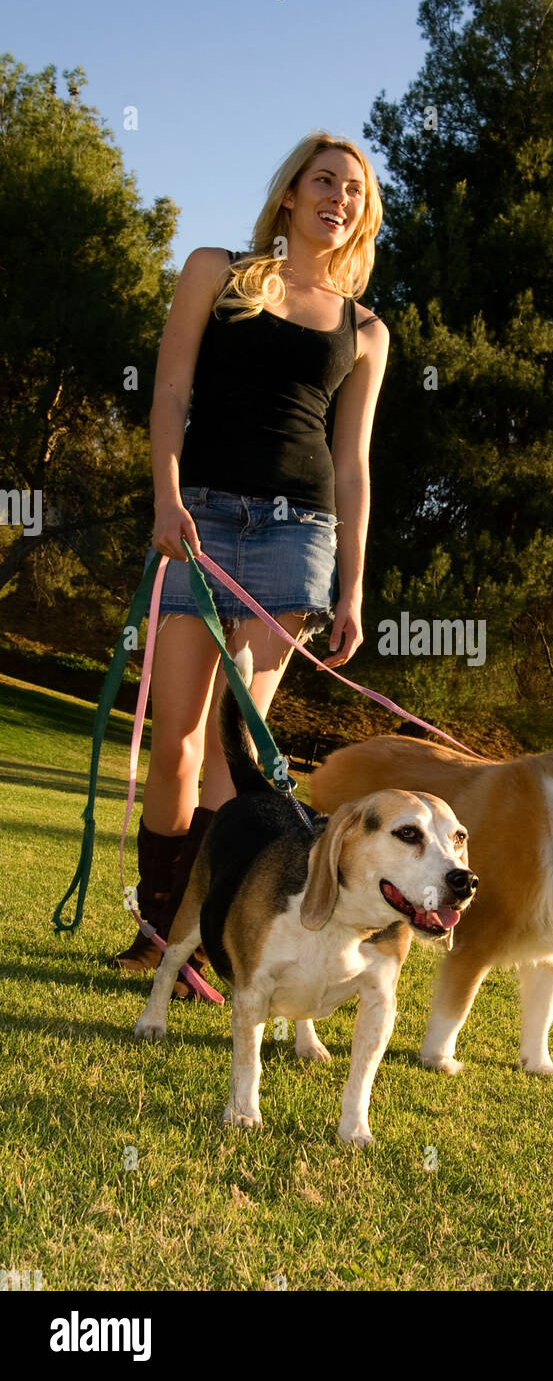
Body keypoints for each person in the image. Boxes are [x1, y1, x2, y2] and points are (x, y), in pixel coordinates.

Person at [110, 132, 389, 995]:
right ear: (291, 193)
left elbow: (353, 466)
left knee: (235, 753)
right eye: (324, 180)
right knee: (178, 745)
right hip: (197, 523)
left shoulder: (366, 330)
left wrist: (351, 584)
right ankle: (161, 931)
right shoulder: (215, 272)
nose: (337, 197)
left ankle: (216, 946)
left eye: (354, 190)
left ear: (362, 215)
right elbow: (170, 390)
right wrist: (165, 496)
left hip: (295, 536)